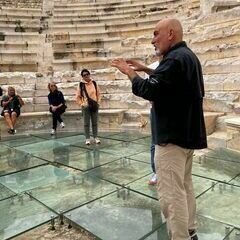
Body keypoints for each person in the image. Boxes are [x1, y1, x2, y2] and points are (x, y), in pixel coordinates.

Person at [111, 18, 207, 240]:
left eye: (156, 34)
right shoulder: (188, 56)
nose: (152, 40)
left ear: (170, 34)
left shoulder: (173, 59)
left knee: (171, 197)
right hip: (186, 137)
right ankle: (190, 232)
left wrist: (130, 72)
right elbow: (170, 85)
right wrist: (145, 68)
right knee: (185, 187)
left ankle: (180, 237)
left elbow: (149, 90)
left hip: (171, 141)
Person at [76, 69, 101, 145]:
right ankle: (87, 138)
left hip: (94, 105)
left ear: (89, 74)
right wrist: (82, 104)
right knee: (86, 123)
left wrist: (98, 103)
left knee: (95, 122)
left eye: (87, 74)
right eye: (84, 75)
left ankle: (95, 137)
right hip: (86, 106)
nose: (86, 76)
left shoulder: (94, 83)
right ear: (82, 77)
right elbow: (78, 96)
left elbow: (99, 94)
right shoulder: (81, 85)